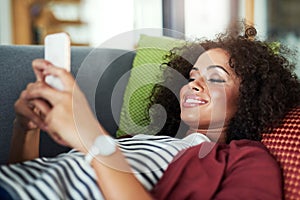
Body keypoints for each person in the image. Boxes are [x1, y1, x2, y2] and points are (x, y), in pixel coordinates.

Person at [1, 24, 299, 199]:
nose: (194, 85)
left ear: (250, 98)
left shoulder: (246, 159)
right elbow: (29, 176)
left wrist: (92, 139)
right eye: (192, 76)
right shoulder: (143, 139)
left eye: (216, 78)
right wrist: (26, 128)